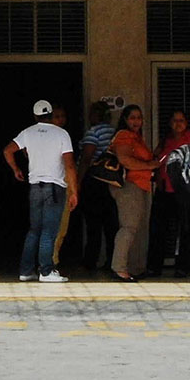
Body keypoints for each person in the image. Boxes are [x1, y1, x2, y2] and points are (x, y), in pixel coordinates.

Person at [2, 99, 78, 283]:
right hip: (54, 187)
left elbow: (7, 150)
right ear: (51, 114)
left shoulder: (27, 133)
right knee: (49, 230)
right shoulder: (61, 134)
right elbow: (69, 164)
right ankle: (46, 271)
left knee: (34, 230)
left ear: (35, 115)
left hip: (35, 187)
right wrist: (74, 191)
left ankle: (26, 271)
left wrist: (16, 169)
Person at [148, 110, 190, 277]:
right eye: (175, 120)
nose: (178, 124)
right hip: (164, 190)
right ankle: (154, 266)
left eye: (182, 120)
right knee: (159, 229)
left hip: (184, 191)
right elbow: (155, 157)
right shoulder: (166, 140)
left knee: (185, 230)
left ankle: (182, 266)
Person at [108, 104, 156, 282]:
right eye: (132, 118)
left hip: (140, 186)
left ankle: (134, 267)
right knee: (128, 227)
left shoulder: (136, 137)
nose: (136, 121)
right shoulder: (124, 135)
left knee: (137, 228)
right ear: (125, 120)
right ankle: (119, 268)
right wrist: (150, 165)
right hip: (129, 186)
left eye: (139, 117)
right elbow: (125, 160)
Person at [78, 102, 118, 272]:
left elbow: (87, 158)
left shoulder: (93, 133)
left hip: (94, 181)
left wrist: (78, 181)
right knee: (111, 224)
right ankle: (111, 261)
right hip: (112, 182)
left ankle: (90, 262)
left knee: (93, 224)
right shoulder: (115, 132)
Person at [50, 104, 74, 269]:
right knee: (55, 227)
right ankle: (51, 263)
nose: (60, 120)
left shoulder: (63, 136)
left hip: (62, 183)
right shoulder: (56, 136)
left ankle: (50, 261)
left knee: (61, 227)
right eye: (56, 116)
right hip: (55, 185)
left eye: (62, 116)